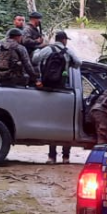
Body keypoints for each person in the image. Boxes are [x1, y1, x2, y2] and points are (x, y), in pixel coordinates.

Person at [33, 31, 82, 163]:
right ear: (64, 40)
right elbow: (78, 63)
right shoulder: (67, 51)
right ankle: (66, 157)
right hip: (62, 89)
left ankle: (51, 156)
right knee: (64, 124)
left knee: (52, 123)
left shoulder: (48, 49)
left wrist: (39, 50)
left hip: (48, 89)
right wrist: (68, 63)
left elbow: (34, 59)